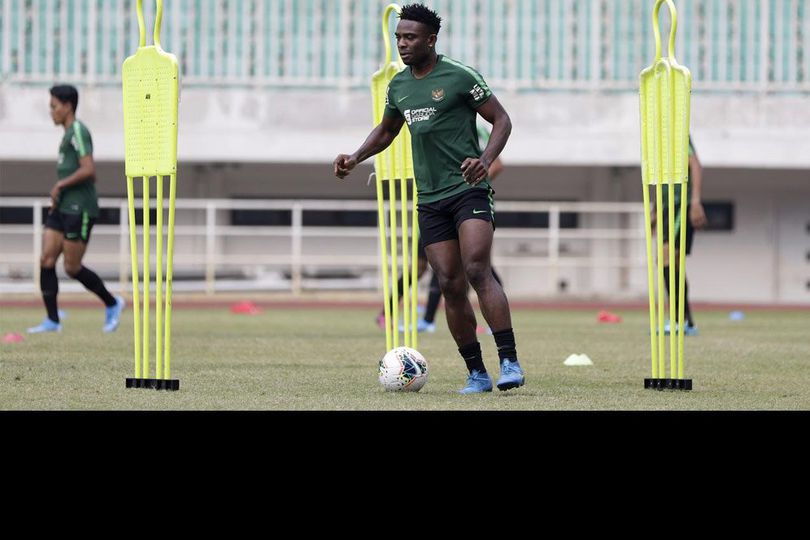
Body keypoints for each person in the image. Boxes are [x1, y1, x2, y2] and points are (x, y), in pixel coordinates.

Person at [335, 3, 524, 393]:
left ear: (430, 40)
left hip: (467, 190)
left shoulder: (459, 76)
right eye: (399, 37)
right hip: (430, 199)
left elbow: (502, 120)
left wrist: (485, 161)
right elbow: (387, 131)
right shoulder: (400, 86)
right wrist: (355, 157)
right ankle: (477, 372)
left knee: (476, 270)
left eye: (410, 37)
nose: (402, 44)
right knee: (449, 284)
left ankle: (509, 361)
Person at [27, 85, 125, 334]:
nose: (51, 112)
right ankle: (52, 321)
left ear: (68, 106)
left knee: (72, 267)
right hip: (62, 206)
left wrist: (60, 184)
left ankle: (113, 303)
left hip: (79, 208)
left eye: (54, 106)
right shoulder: (66, 134)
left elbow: (89, 170)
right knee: (46, 259)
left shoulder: (79, 131)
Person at [656, 135, 707, 336]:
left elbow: (695, 164)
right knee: (672, 262)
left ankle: (678, 319)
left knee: (666, 258)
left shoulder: (677, 130)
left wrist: (694, 202)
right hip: (669, 206)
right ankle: (687, 321)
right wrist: (656, 208)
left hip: (681, 205)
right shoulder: (660, 136)